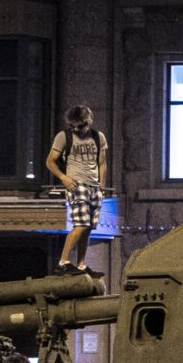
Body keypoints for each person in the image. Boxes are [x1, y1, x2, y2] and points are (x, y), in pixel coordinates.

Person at [46, 103, 110, 273]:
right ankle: (63, 262)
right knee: (80, 224)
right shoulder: (63, 137)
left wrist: (102, 184)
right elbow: (50, 161)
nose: (78, 130)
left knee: (88, 227)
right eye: (73, 127)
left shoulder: (98, 137)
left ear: (89, 122)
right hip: (76, 184)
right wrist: (64, 178)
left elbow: (102, 162)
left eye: (81, 126)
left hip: (94, 186)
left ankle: (81, 264)